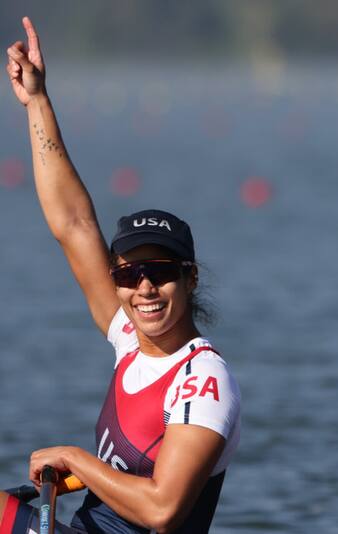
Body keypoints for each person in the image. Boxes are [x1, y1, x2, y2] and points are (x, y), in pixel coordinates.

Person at [1, 17, 241, 533]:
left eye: (160, 271)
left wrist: (77, 459)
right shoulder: (129, 338)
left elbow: (163, 509)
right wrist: (38, 102)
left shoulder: (202, 381)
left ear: (190, 278)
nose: (145, 288)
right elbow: (72, 222)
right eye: (130, 273)